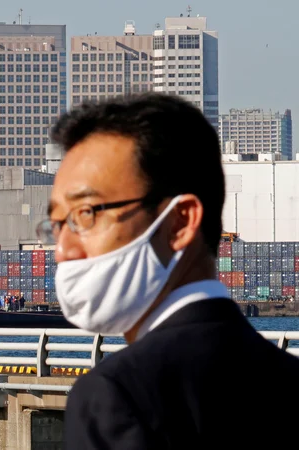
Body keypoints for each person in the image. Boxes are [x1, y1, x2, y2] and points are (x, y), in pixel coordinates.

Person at [38, 93, 299, 449]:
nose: (63, 250)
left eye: (86, 214)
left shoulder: (118, 395)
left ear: (180, 222)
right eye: (57, 224)